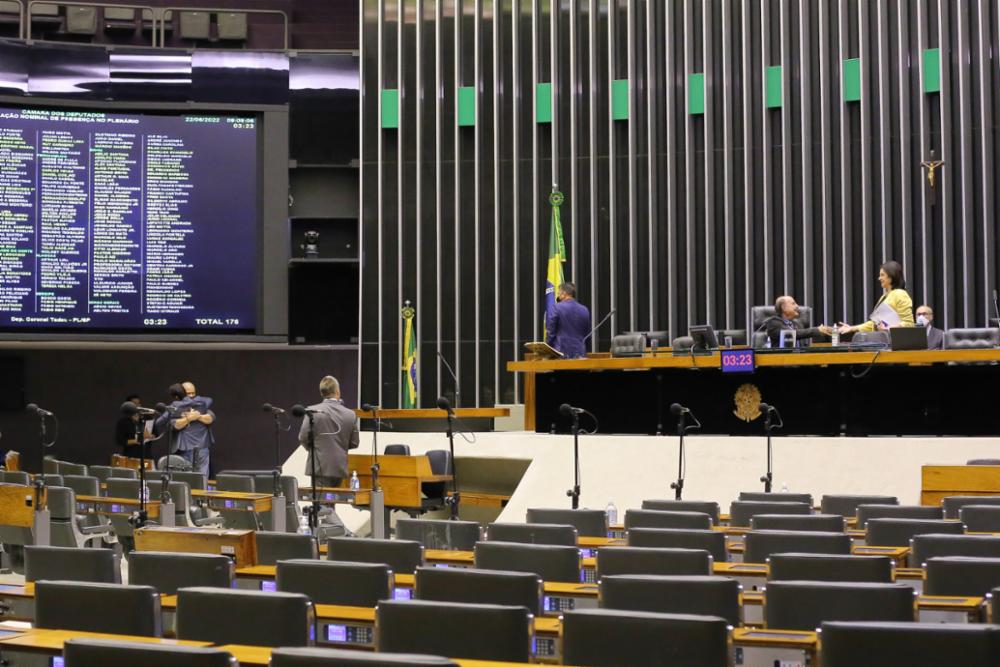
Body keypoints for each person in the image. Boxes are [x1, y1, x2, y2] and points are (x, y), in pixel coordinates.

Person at [299, 375, 360, 535]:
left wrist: (314, 450)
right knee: (330, 506)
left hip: (319, 466)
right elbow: (354, 443)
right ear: (338, 392)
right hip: (339, 467)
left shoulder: (312, 411)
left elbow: (303, 437)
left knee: (321, 507)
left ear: (322, 393)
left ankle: (341, 534)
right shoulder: (350, 415)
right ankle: (333, 537)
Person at [838, 260, 914, 335]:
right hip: (885, 341)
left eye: (882, 275)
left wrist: (889, 329)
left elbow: (908, 324)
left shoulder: (900, 294)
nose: (879, 278)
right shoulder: (884, 297)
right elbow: (874, 323)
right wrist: (852, 328)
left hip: (897, 343)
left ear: (892, 276)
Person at [154, 381, 215, 476]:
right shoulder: (177, 406)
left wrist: (197, 416)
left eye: (193, 393)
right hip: (184, 449)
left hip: (202, 448)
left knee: (202, 478)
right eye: (188, 393)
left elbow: (210, 418)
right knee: (186, 478)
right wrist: (189, 418)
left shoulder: (200, 404)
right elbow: (173, 424)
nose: (191, 396)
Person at [764, 296, 833, 348]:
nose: (797, 306)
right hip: (782, 363)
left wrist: (834, 330)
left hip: (800, 361)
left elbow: (802, 342)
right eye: (793, 303)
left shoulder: (797, 323)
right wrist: (816, 330)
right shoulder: (773, 323)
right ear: (784, 307)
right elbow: (791, 334)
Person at [546, 282, 592, 358]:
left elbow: (551, 332)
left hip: (561, 353)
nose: (558, 295)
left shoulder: (556, 308)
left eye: (559, 293)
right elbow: (587, 335)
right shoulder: (584, 310)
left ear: (564, 293)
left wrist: (547, 349)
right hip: (580, 353)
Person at [114, 394, 153, 458]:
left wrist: (150, 436)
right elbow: (120, 441)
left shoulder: (148, 418)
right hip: (130, 456)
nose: (137, 406)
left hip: (146, 456)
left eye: (138, 404)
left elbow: (155, 434)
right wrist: (136, 440)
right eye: (134, 404)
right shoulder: (123, 422)